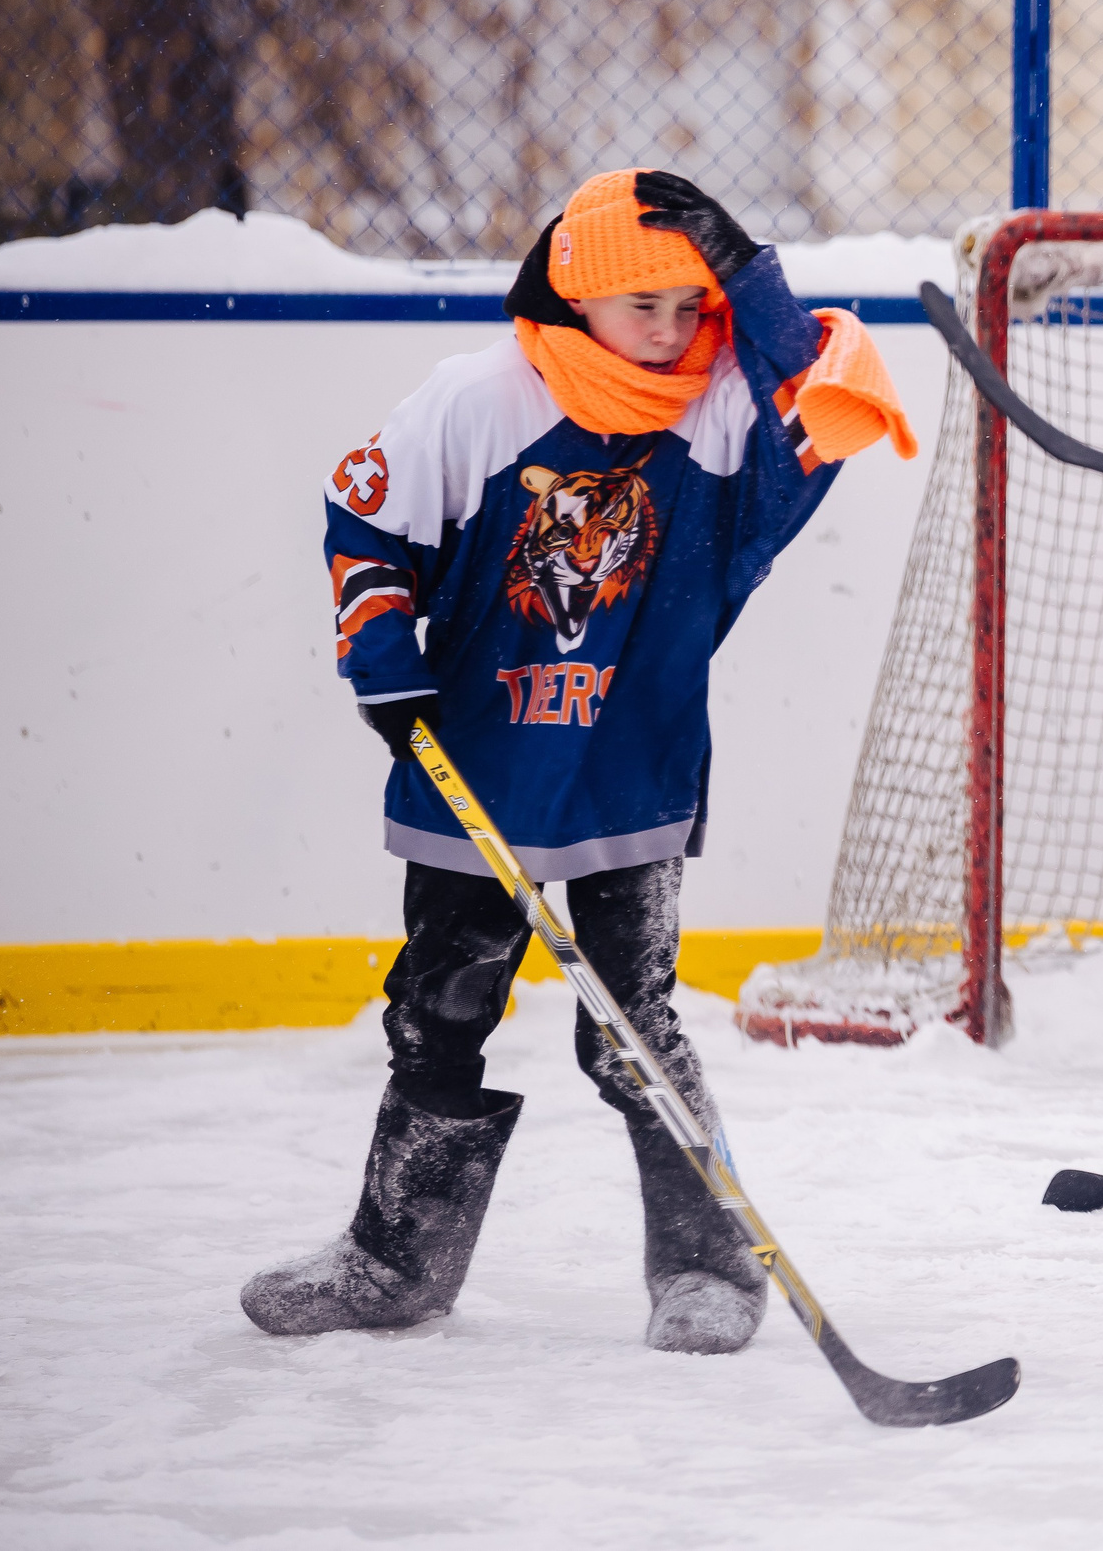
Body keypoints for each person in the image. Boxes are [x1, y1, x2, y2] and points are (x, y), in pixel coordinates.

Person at [246, 169, 916, 1355]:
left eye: (688, 302)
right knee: (439, 1011)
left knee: (631, 1023)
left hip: (629, 759)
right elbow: (364, 522)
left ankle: (709, 1267)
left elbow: (819, 395)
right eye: (641, 305)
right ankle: (394, 1261)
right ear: (577, 294)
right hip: (478, 754)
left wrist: (751, 272)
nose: (669, 329)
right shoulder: (478, 398)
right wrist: (382, 648)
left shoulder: (718, 408)